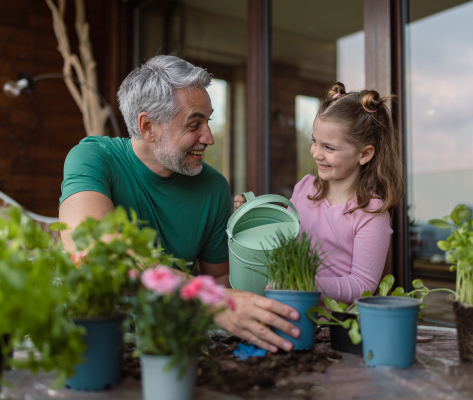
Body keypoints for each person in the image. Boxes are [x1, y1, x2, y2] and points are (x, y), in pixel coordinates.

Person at [59, 55, 300, 352]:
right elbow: (96, 250)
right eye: (194, 124)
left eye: (208, 122)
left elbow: (220, 280)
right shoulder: (94, 159)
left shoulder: (212, 186)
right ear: (148, 126)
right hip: (97, 337)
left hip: (173, 340)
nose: (209, 137)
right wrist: (209, 302)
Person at [234, 82, 404, 303]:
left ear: (364, 154)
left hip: (334, 326)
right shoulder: (305, 187)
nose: (316, 153)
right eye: (315, 142)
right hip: (289, 312)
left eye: (329, 147)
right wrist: (254, 213)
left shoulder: (371, 213)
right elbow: (281, 237)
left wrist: (304, 282)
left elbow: (363, 286)